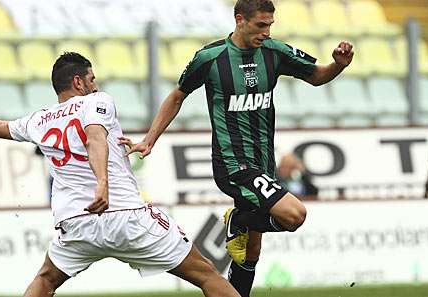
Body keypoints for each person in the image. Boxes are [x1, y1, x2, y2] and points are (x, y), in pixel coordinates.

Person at [0, 52, 240, 297]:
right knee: (205, 274)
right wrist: (102, 185)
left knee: (46, 279)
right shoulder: (98, 101)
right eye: (92, 78)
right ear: (78, 82)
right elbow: (94, 137)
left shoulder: (40, 119)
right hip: (124, 215)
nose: (96, 84)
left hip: (77, 225)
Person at [120, 0, 354, 296]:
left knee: (250, 252)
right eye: (260, 25)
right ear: (240, 20)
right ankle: (238, 220)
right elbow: (178, 95)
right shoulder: (211, 57)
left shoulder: (274, 52)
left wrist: (337, 66)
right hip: (233, 164)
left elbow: (317, 76)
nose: (266, 32)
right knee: (294, 215)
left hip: (263, 163)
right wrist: (150, 138)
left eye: (270, 25)